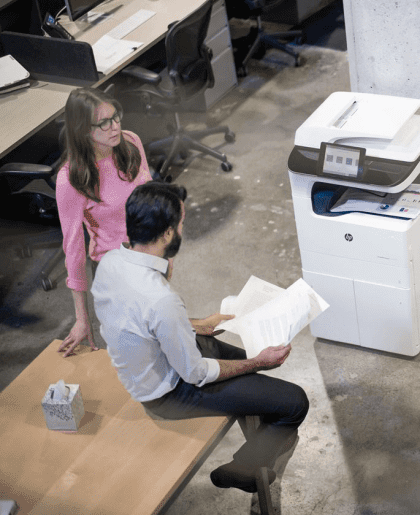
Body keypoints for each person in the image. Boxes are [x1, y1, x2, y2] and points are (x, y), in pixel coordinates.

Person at [91, 181, 309, 493]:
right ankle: (243, 469)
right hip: (169, 393)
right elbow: (194, 372)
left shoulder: (111, 262)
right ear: (167, 234)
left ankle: (258, 412)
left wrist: (198, 324)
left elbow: (140, 321)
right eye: (180, 223)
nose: (183, 228)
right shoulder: (159, 297)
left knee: (255, 356)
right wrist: (256, 362)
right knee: (294, 402)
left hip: (162, 358)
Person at [56, 88, 153, 357]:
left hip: (149, 258)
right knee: (135, 355)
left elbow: (150, 199)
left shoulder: (131, 142)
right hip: (115, 271)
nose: (115, 127)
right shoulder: (72, 180)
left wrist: (164, 253)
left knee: (163, 338)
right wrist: (81, 318)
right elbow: (73, 250)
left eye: (115, 117)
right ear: (83, 130)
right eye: (103, 123)